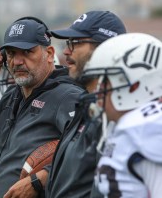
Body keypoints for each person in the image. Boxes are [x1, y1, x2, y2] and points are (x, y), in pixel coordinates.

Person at [0, 16, 84, 198]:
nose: (17, 61)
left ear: (49, 54)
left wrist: (40, 180)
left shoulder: (66, 96)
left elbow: (87, 151)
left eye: (27, 52)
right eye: (11, 53)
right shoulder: (13, 96)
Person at [81, 33, 162, 197]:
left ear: (135, 86)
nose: (99, 90)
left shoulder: (156, 128)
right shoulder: (126, 126)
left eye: (106, 81)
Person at [45, 11, 126, 198]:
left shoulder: (116, 115)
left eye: (76, 42)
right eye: (68, 43)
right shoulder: (86, 107)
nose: (66, 51)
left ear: (105, 49)